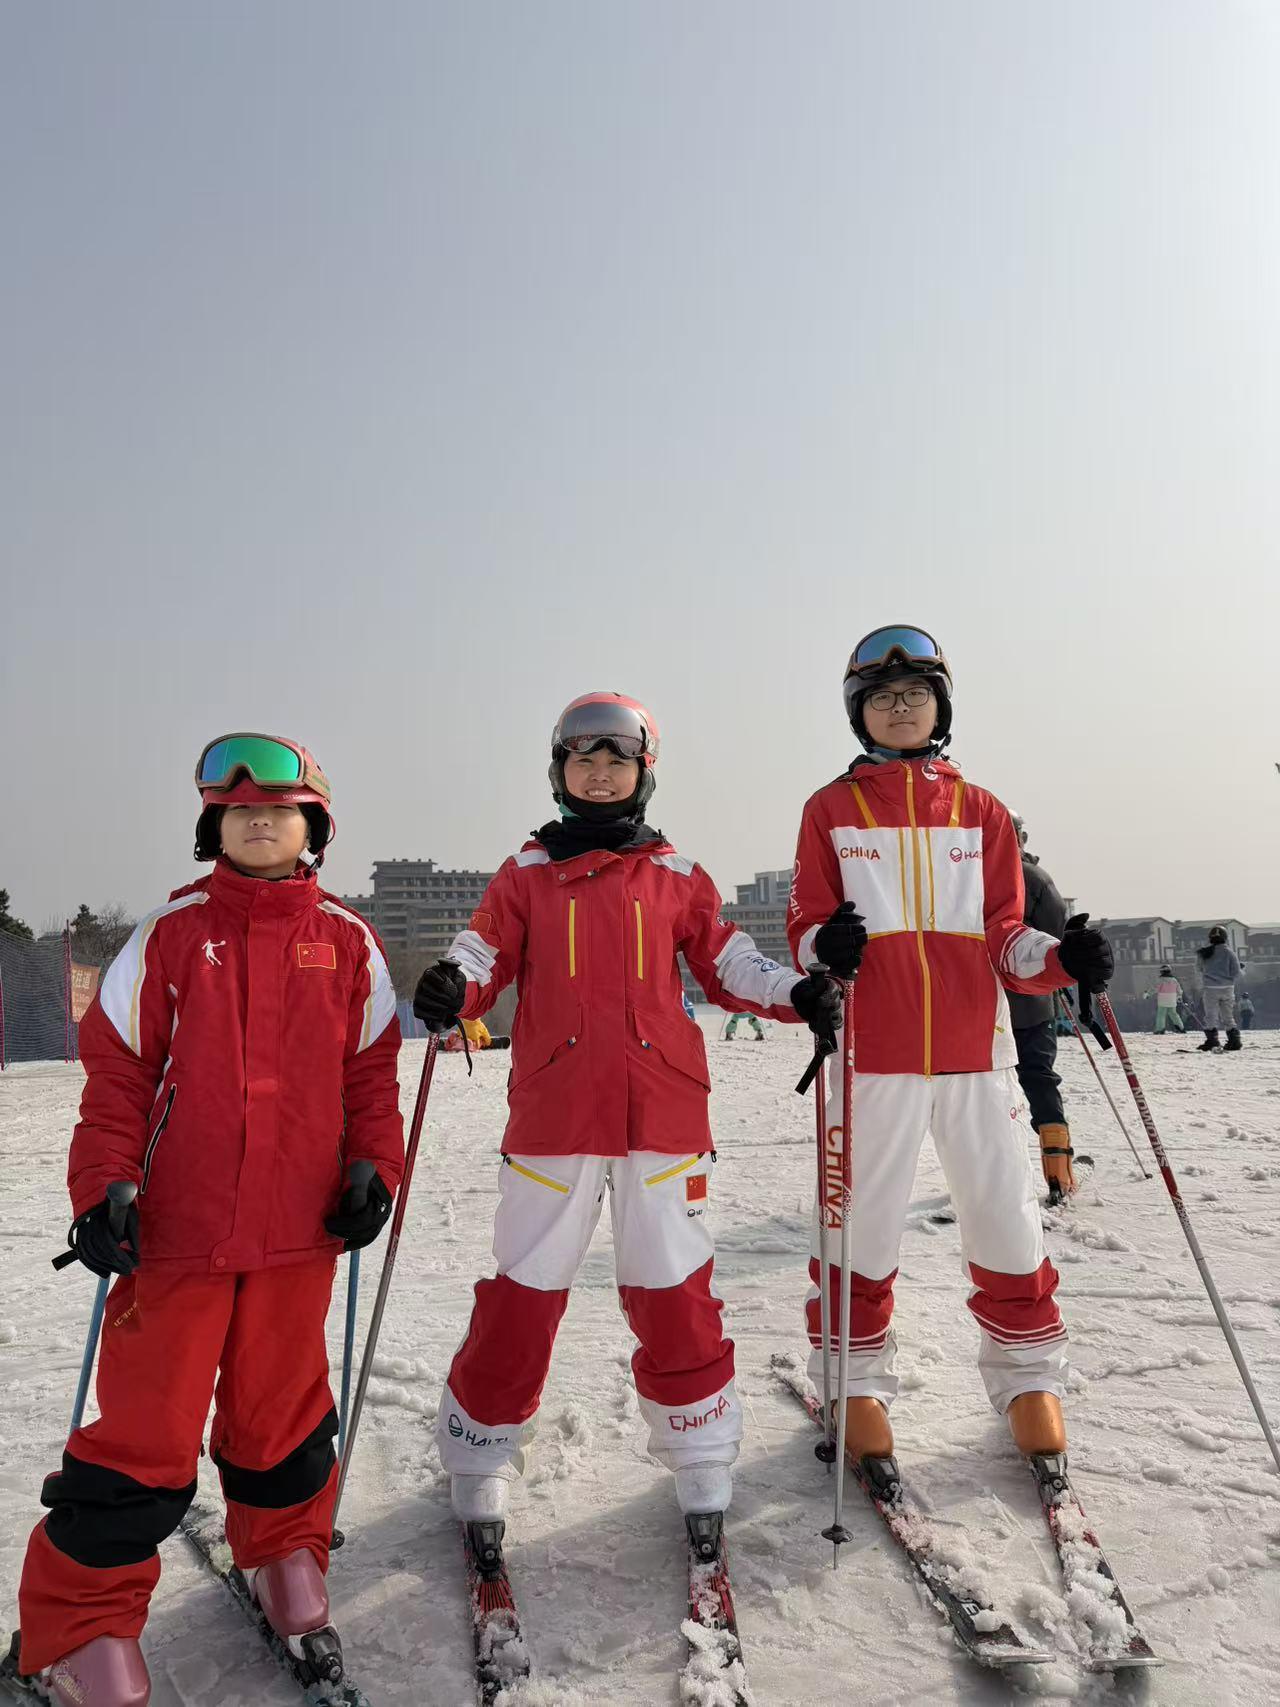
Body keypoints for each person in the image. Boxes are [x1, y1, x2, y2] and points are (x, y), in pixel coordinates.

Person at [12, 734, 404, 1707]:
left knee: (282, 1419)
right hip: (175, 1241)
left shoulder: (350, 943)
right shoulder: (171, 938)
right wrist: (103, 1188)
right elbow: (117, 1081)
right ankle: (81, 1628)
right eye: (238, 813)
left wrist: (370, 1171)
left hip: (296, 1239)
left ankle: (283, 1553)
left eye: (278, 811)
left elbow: (369, 1080)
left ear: (313, 825)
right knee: (143, 1440)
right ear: (211, 827)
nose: (258, 823)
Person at [412, 692, 839, 1533]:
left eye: (617, 758)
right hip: (555, 1120)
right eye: (583, 758)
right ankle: (480, 1449)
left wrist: (799, 990)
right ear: (560, 773)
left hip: (663, 1119)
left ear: (645, 773)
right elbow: (482, 952)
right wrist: (452, 986)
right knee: (524, 1294)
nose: (599, 770)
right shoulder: (525, 875)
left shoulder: (677, 876)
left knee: (674, 1291)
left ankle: (700, 1449)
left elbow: (730, 961)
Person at [787, 626, 1113, 1468]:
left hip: (976, 1052)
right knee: (862, 1226)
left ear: (941, 707)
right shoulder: (830, 809)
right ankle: (855, 1381)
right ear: (861, 713)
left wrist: (1061, 957)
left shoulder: (981, 810)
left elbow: (1007, 936)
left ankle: (1029, 1373)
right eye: (885, 698)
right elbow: (804, 928)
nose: (902, 708)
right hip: (872, 1056)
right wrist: (831, 945)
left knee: (1007, 1216)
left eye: (917, 695)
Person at [1005, 815, 1074, 1194]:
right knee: (1039, 1079)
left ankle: (993, 1175)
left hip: (984, 1007)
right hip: (1031, 1004)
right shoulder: (1034, 879)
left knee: (991, 1089)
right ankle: (1058, 1171)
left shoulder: (966, 873)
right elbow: (1056, 935)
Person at [1196, 925, 1242, 1052]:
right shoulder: (1229, 953)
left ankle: (1212, 1041)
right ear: (1225, 937)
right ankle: (1234, 1040)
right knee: (1228, 1015)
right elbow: (1236, 972)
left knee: (1211, 1016)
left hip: (1210, 989)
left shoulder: (1205, 953)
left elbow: (1199, 968)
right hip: (1227, 988)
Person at [1153, 966, 1185, 1034]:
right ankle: (1180, 1027)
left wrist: (1147, 993)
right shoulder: (1174, 980)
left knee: (1161, 1014)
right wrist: (1179, 996)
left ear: (1162, 972)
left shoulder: (1161, 980)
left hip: (1163, 999)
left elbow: (1155, 988)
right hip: (1172, 999)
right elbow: (1179, 990)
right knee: (1173, 1014)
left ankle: (1160, 1029)